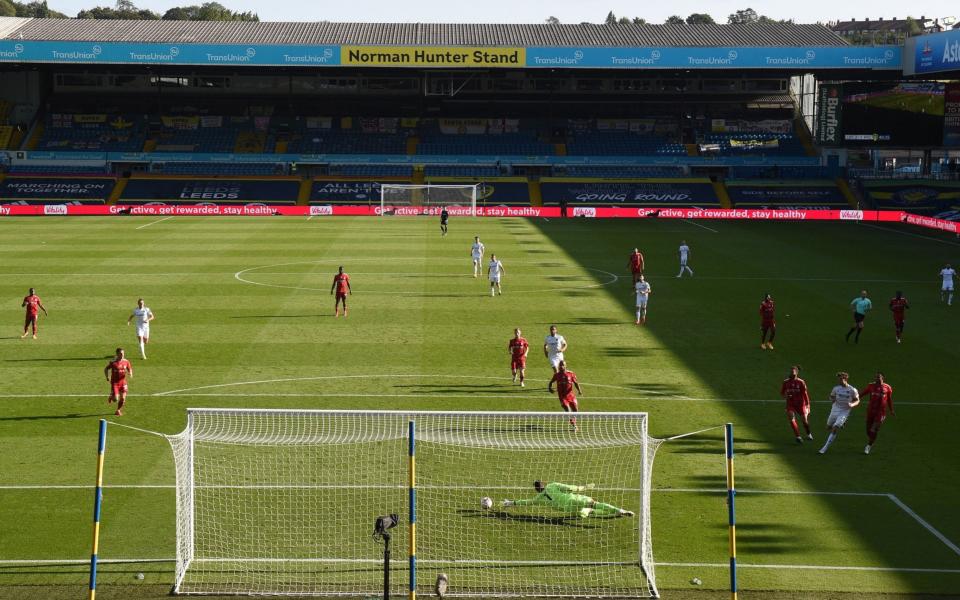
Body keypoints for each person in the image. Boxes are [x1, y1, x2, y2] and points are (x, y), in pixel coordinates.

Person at [501, 480, 634, 519]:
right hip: (574, 500)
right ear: (544, 483)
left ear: (537, 490)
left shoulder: (539, 498)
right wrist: (584, 487)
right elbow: (571, 488)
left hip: (568, 509)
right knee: (595, 504)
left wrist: (511, 503)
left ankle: (616, 514)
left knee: (588, 512)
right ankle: (620, 510)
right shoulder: (552, 485)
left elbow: (527, 502)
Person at [819, 371, 860, 454]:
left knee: (835, 428)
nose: (839, 381)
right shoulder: (836, 388)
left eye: (841, 379)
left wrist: (852, 404)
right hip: (835, 409)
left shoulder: (852, 390)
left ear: (845, 379)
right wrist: (832, 399)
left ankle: (825, 447)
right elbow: (831, 396)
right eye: (839, 379)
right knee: (828, 427)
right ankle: (842, 423)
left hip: (845, 411)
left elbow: (857, 400)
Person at [862, 372, 894, 455]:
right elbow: (862, 394)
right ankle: (872, 440)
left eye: (878, 377)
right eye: (875, 377)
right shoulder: (871, 386)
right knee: (868, 431)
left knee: (874, 429)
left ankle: (869, 445)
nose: (876, 379)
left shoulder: (887, 387)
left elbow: (889, 400)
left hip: (880, 413)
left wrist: (891, 410)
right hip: (870, 411)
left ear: (883, 378)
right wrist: (854, 399)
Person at [781, 365, 812, 444]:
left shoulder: (801, 382)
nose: (792, 373)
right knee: (791, 417)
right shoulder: (786, 382)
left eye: (793, 372)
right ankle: (798, 436)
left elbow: (805, 394)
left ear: (797, 373)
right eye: (791, 372)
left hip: (801, 404)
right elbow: (782, 393)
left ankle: (808, 433)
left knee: (804, 421)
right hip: (790, 404)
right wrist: (786, 395)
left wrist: (808, 405)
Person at [548, 360, 581, 432]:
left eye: (562, 365)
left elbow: (575, 383)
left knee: (575, 410)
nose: (561, 366)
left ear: (566, 366)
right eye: (560, 365)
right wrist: (549, 388)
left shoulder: (571, 374)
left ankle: (574, 422)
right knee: (568, 410)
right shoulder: (557, 375)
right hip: (562, 397)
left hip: (571, 396)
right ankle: (574, 425)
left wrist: (579, 390)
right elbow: (551, 382)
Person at [104, 347, 133, 416]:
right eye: (121, 353)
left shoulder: (126, 361)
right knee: (115, 399)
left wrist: (130, 373)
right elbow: (106, 369)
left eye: (123, 353)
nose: (122, 355)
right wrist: (107, 377)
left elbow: (130, 369)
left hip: (123, 383)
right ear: (117, 354)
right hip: (115, 383)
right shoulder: (113, 362)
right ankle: (112, 396)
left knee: (123, 398)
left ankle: (118, 410)